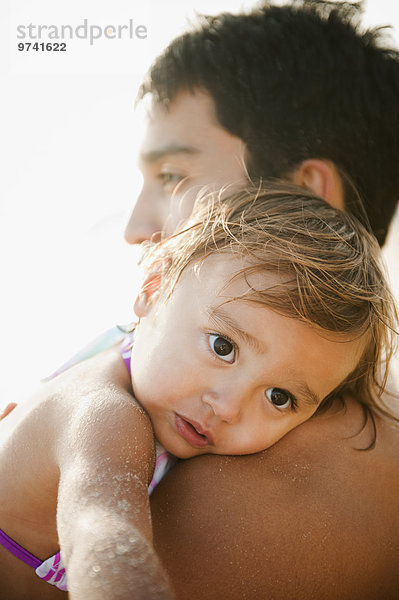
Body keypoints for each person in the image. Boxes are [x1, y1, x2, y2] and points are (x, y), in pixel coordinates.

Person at [2, 1, 399, 598]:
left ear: (302, 193)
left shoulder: (334, 456)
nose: (136, 229)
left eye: (174, 177)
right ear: (154, 290)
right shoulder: (120, 392)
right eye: (223, 346)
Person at [0, 184, 397, 600]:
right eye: (222, 347)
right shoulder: (103, 415)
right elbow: (103, 534)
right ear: (153, 287)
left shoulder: (156, 385)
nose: (227, 407)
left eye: (279, 397)